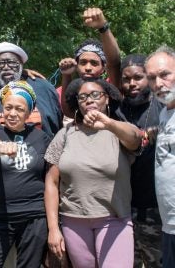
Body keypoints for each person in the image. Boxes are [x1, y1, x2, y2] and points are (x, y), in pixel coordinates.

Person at [44, 78, 141, 268]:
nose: (89, 100)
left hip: (114, 220)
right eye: (83, 97)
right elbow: (51, 183)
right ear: (77, 104)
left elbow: (136, 137)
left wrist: (108, 123)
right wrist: (54, 229)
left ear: (107, 99)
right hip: (74, 223)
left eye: (96, 95)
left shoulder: (118, 130)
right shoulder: (65, 134)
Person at [0, 81, 51, 268]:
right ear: (2, 109)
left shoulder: (42, 138)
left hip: (35, 217)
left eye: (19, 108)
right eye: (8, 107)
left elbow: (51, 178)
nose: (13, 113)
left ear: (29, 111)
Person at [116, 54, 163, 268]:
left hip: (156, 210)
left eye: (138, 77)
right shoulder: (115, 110)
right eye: (126, 79)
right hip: (121, 211)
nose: (132, 84)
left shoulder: (163, 108)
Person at [0, 41, 62, 138]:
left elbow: (58, 124)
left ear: (21, 64)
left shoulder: (44, 88)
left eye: (12, 62)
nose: (6, 67)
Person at [58, 7, 121, 119]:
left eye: (94, 63)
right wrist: (66, 75)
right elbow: (69, 112)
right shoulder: (61, 90)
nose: (88, 68)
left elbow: (114, 63)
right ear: (76, 66)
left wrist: (103, 27)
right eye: (83, 63)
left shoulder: (110, 88)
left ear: (104, 68)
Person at [145, 45, 175, 268]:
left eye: (165, 74)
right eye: (152, 78)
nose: (158, 84)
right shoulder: (165, 113)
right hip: (169, 225)